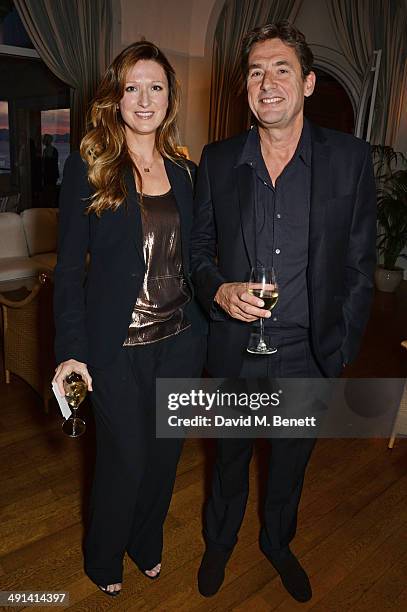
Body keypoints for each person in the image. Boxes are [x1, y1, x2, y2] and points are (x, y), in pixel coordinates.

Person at [191, 21, 376, 603]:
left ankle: (276, 541)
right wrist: (219, 290)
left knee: (289, 465)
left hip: (306, 351)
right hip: (233, 348)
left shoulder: (348, 159)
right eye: (254, 72)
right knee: (228, 459)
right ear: (244, 86)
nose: (266, 82)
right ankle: (219, 541)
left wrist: (338, 351)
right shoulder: (218, 160)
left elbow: (360, 265)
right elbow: (198, 252)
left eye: (281, 70)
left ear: (309, 82)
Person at [53, 41, 206, 596]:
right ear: (116, 99)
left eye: (156, 87)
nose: (145, 99)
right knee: (126, 459)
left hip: (181, 343)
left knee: (165, 459)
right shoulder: (89, 168)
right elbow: (69, 268)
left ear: (170, 97)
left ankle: (147, 544)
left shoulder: (187, 173)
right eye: (132, 87)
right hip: (116, 346)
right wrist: (72, 348)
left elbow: (199, 259)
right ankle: (102, 559)